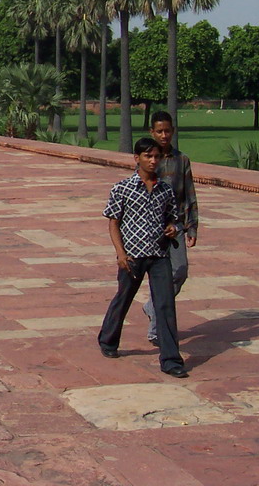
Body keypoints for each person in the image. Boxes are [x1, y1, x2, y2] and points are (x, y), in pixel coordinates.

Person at [97, 137, 187, 378]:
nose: (153, 160)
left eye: (156, 156)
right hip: (133, 256)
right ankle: (108, 340)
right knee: (124, 298)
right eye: (148, 156)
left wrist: (172, 228)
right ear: (137, 158)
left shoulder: (165, 190)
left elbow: (173, 218)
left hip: (159, 254)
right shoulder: (122, 188)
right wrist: (120, 253)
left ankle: (170, 359)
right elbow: (113, 223)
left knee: (165, 304)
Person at [142, 111, 199, 346]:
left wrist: (191, 226)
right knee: (159, 278)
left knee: (180, 270)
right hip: (153, 228)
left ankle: (151, 307)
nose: (164, 135)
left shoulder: (181, 160)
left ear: (172, 131)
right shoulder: (149, 160)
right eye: (159, 131)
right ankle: (157, 330)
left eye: (167, 130)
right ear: (152, 132)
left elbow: (189, 193)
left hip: (176, 226)